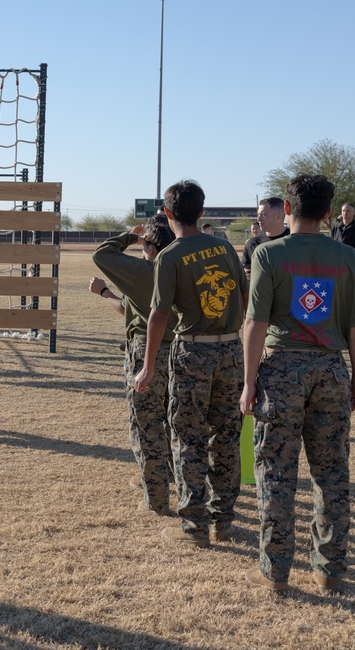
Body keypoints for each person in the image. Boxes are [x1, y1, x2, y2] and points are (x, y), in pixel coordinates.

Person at [241, 173, 355, 595]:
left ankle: (275, 570)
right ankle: (329, 570)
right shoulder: (350, 258)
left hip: (281, 371)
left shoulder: (267, 254)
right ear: (330, 212)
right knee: (332, 473)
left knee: (276, 473)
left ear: (289, 209)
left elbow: (255, 323)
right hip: (331, 370)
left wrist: (247, 384)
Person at [133, 179, 248, 548]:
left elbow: (158, 316)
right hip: (230, 351)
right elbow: (245, 297)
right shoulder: (224, 246)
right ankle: (224, 521)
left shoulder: (169, 256)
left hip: (192, 352)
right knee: (227, 437)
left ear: (168, 214)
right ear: (202, 212)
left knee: (188, 439)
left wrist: (148, 367)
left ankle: (195, 527)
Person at [92, 215, 178, 516]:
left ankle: (155, 494)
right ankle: (171, 479)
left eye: (145, 246)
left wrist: (131, 235)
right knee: (174, 422)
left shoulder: (145, 271)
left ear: (151, 248)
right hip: (182, 350)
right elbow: (129, 308)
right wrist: (105, 294)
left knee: (146, 425)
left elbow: (102, 254)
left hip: (147, 353)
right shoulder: (183, 268)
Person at [240, 198, 288, 281]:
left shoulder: (296, 240)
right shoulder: (252, 243)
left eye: (263, 215)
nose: (259, 219)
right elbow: (244, 273)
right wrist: (246, 275)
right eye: (258, 215)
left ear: (278, 216)